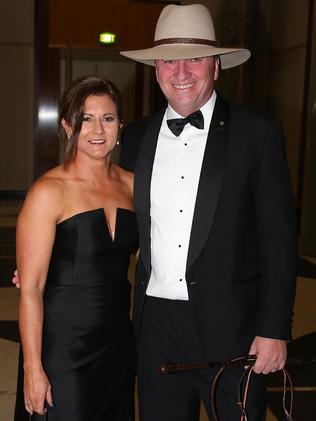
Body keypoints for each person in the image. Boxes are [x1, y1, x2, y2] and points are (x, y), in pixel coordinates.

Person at [118, 4, 297, 421]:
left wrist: (274, 330)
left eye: (194, 58)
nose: (181, 72)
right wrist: (49, 261)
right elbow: (107, 215)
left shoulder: (258, 134)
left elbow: (279, 240)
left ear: (216, 66)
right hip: (156, 328)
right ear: (155, 68)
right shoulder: (135, 137)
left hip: (235, 332)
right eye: (168, 60)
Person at [14, 75, 137, 420]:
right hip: (63, 349)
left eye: (108, 118)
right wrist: (33, 368)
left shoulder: (133, 185)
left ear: (120, 125)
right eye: (86, 118)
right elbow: (31, 290)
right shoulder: (48, 191)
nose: (98, 129)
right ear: (68, 126)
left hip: (117, 344)